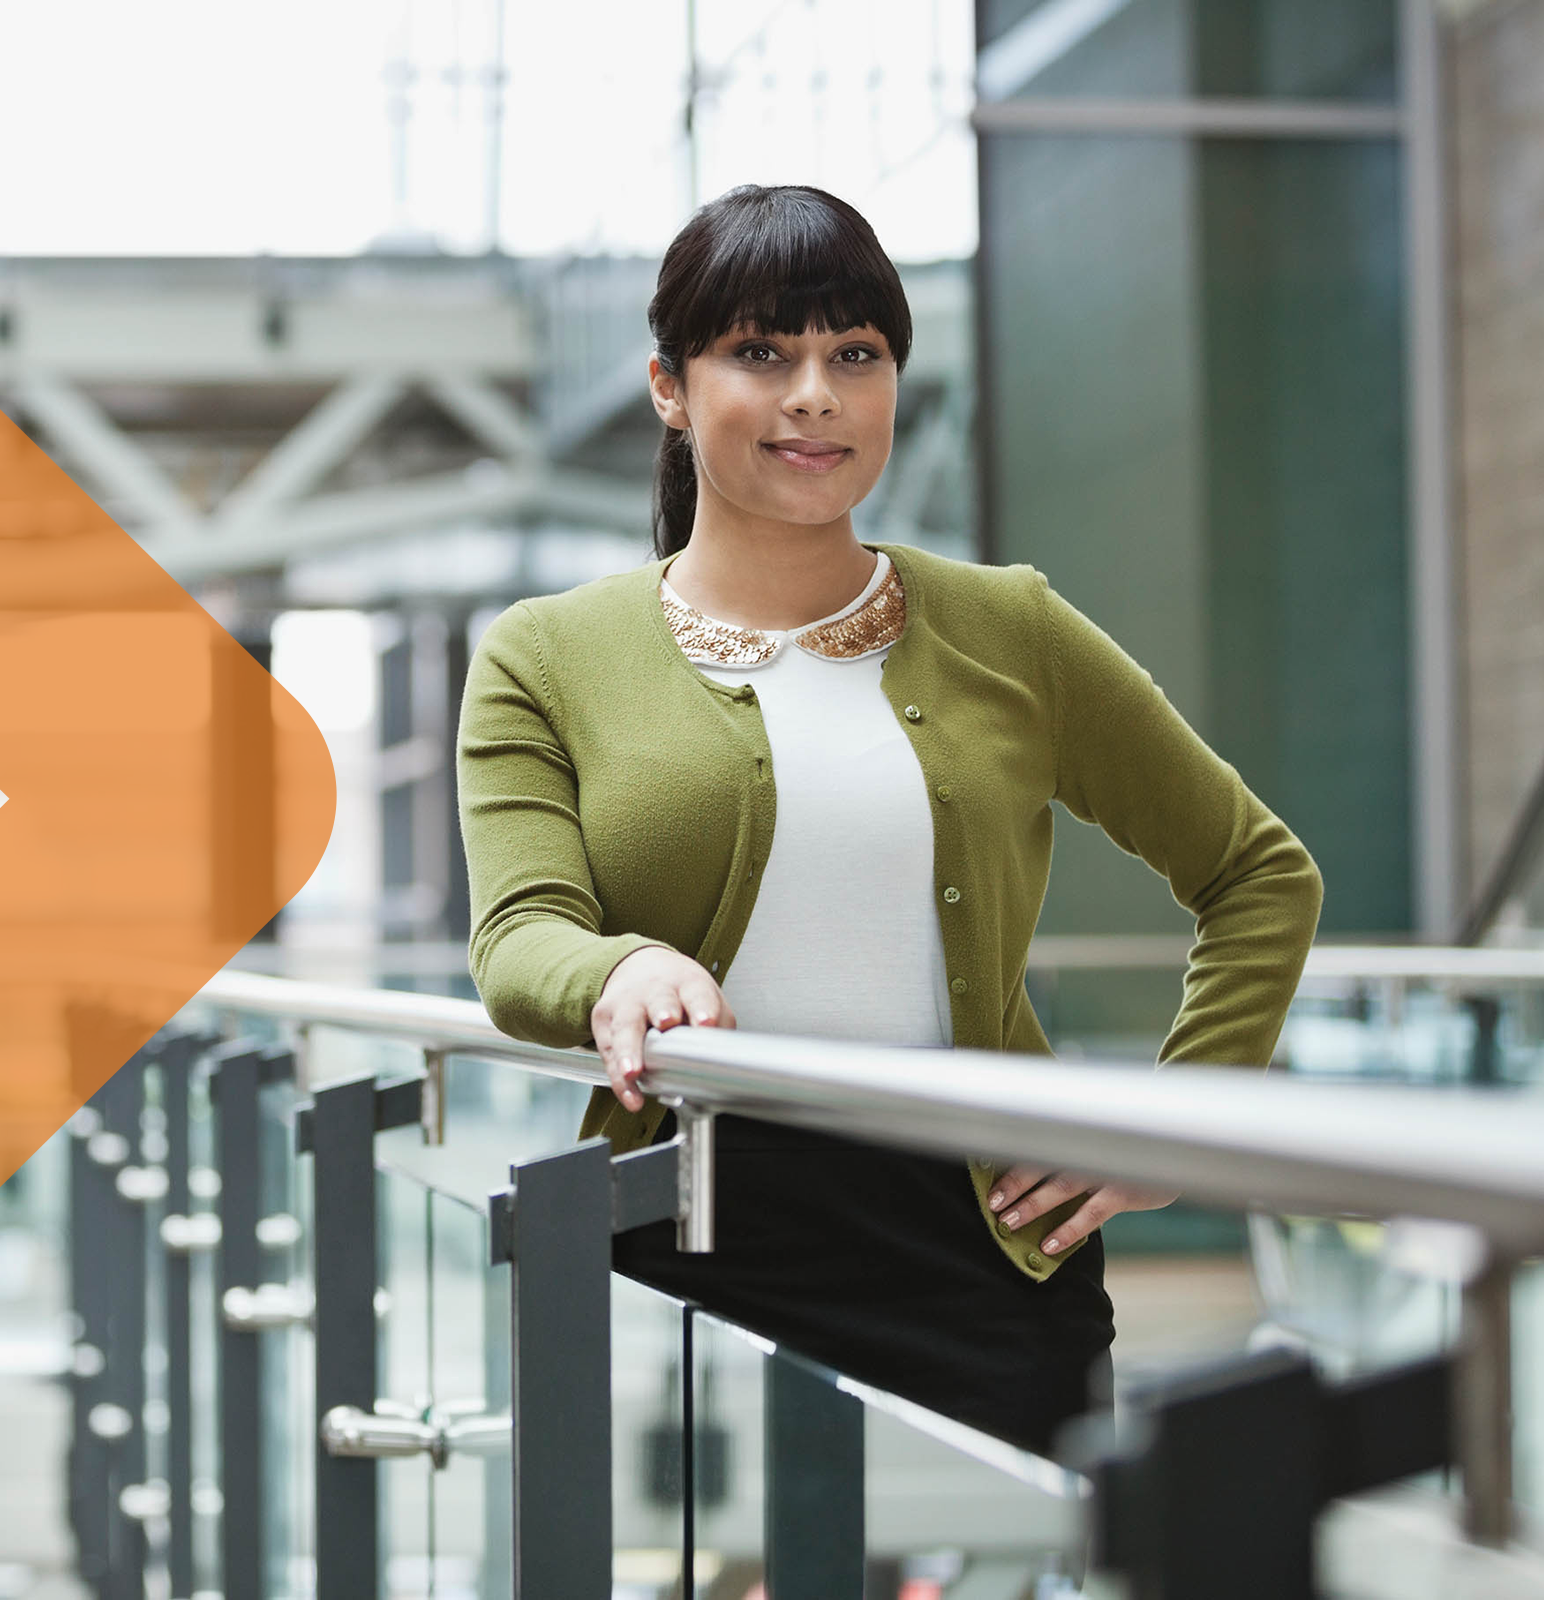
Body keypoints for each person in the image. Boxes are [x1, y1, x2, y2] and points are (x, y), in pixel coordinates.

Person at [454, 183, 1324, 1458]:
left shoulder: (1009, 627)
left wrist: (1183, 1118)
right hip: (686, 1244)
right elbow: (520, 934)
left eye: (854, 355)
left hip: (988, 1258)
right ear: (669, 387)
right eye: (762, 352)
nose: (816, 393)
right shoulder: (546, 655)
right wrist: (618, 965)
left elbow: (1257, 872)